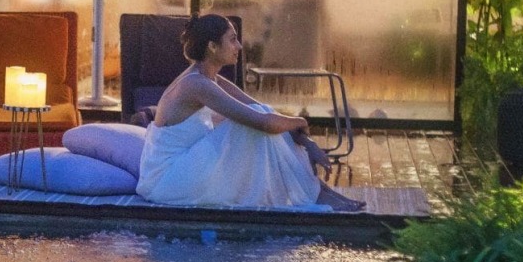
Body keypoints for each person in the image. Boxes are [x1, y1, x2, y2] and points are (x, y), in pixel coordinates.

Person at [135, 14, 365, 212]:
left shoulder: (210, 79)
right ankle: (316, 194)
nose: (240, 47)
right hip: (167, 181)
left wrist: (308, 142)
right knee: (251, 124)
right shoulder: (195, 85)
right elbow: (263, 123)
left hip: (186, 168)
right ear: (212, 46)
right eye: (233, 40)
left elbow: (266, 113)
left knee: (261, 113)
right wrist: (302, 121)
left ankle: (318, 191)